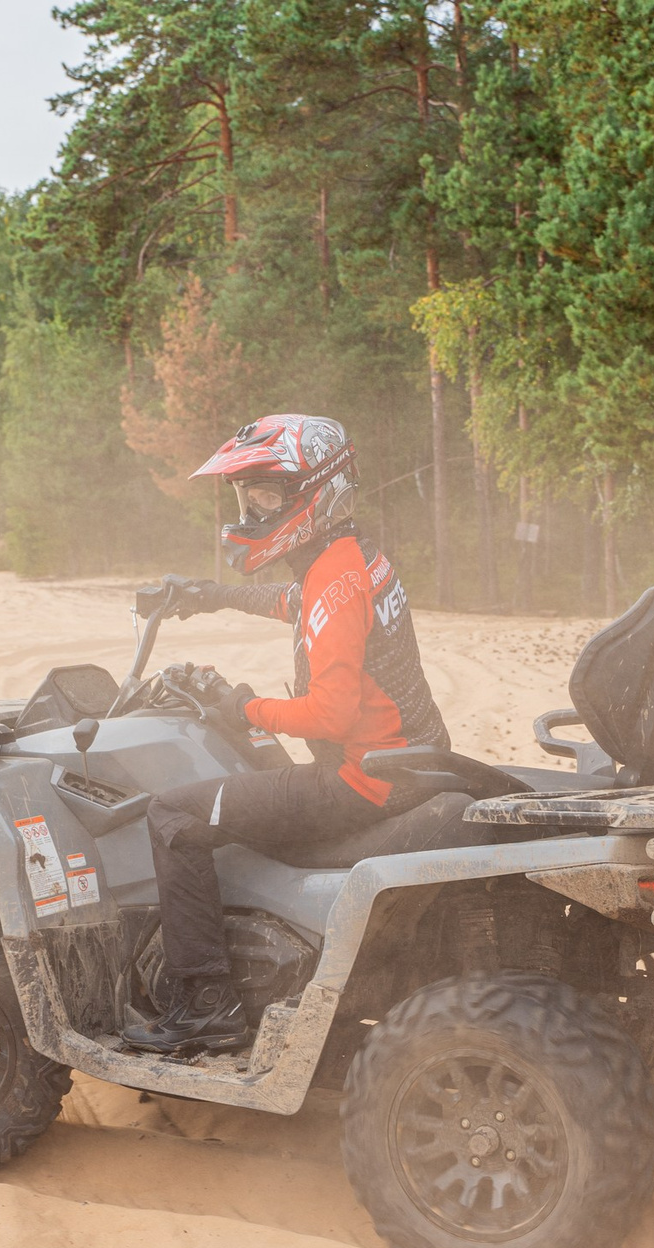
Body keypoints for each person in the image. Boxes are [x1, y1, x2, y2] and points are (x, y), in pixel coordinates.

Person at [121, 414, 449, 1057]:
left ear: (316, 492)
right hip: (413, 764)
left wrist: (243, 707)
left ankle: (204, 1005)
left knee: (171, 814)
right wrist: (206, 595)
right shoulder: (350, 558)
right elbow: (293, 601)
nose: (251, 508)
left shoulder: (333, 575)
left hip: (362, 780)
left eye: (267, 493)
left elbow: (326, 715)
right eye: (247, 496)